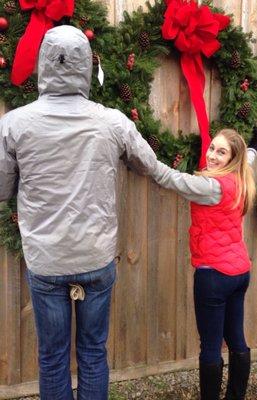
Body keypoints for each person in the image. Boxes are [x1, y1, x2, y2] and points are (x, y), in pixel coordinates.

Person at [0, 25, 163, 400]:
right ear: (86, 66)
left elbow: (4, 188)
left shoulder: (13, 124)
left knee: (53, 357)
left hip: (47, 260)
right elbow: (147, 164)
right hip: (95, 256)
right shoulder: (113, 121)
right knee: (93, 353)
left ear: (44, 63)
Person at [152, 127, 257, 400]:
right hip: (239, 272)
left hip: (214, 275)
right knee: (236, 339)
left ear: (230, 159)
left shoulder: (210, 187)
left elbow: (170, 178)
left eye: (221, 152)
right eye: (212, 148)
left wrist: (140, 151)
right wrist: (253, 148)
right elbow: (248, 159)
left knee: (211, 346)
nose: (212, 155)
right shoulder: (242, 178)